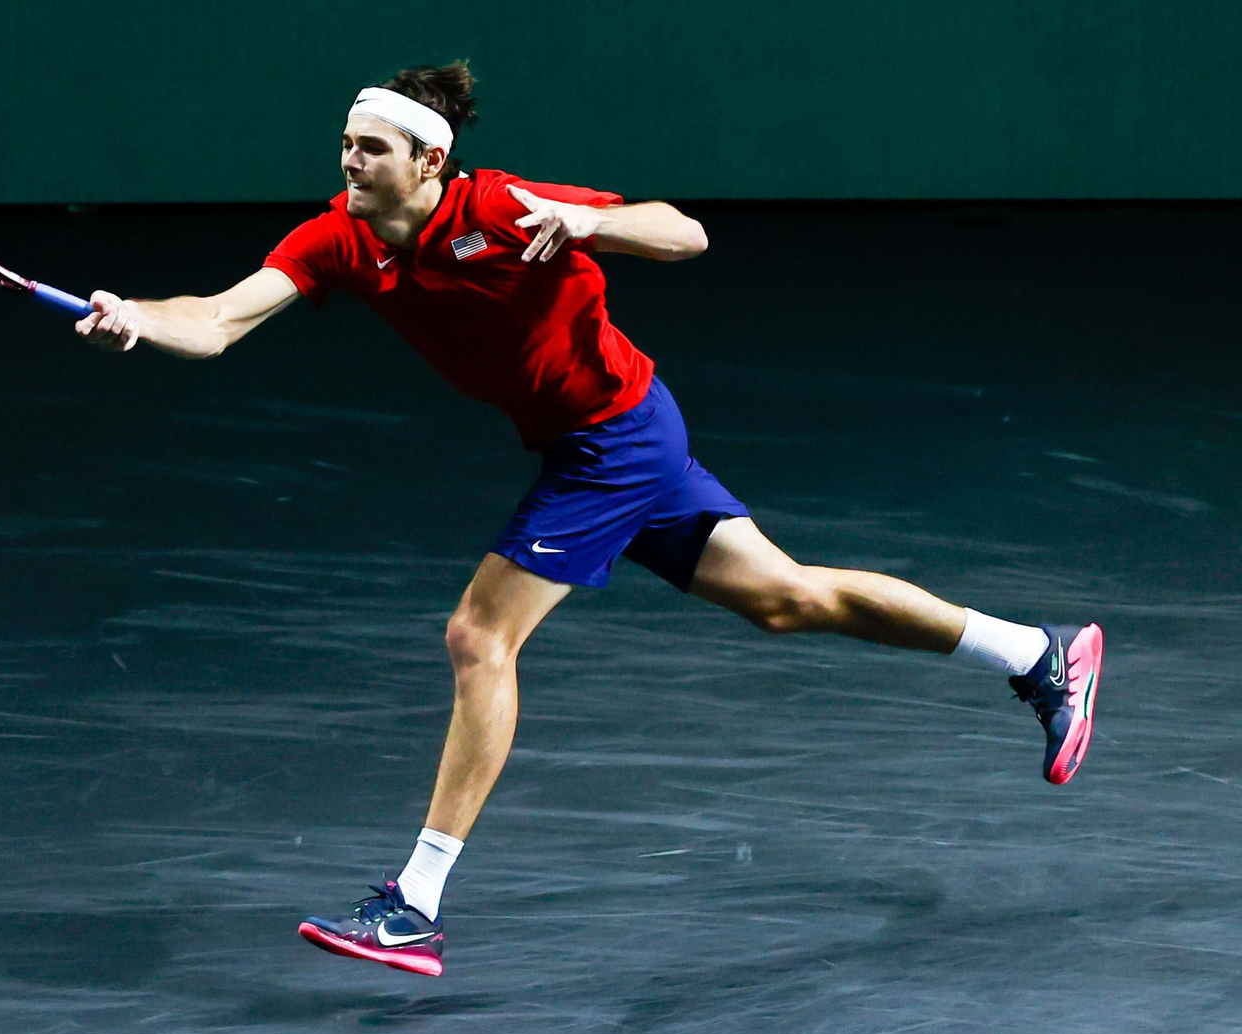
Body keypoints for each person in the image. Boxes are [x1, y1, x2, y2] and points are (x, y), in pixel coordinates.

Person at [75, 62, 1103, 977]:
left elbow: (685, 232)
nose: (348, 159)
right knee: (788, 600)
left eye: (370, 147)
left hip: (613, 436)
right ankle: (1035, 651)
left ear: (429, 159)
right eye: (345, 142)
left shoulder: (506, 205)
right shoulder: (337, 239)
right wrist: (137, 319)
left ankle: (412, 905)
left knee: (480, 635)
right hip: (610, 436)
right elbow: (215, 318)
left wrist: (590, 222)